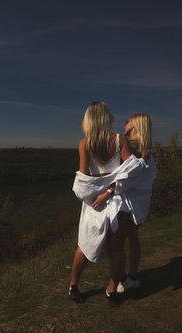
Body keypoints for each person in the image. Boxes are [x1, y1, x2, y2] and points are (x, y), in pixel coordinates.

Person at [68, 101, 136, 307]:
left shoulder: (85, 143)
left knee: (85, 245)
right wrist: (110, 187)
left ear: (88, 120)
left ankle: (73, 286)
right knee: (116, 248)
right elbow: (131, 171)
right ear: (107, 118)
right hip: (116, 197)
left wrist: (96, 191)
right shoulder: (119, 139)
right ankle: (111, 291)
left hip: (95, 201)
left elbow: (84, 178)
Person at [116, 113, 157, 293]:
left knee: (119, 243)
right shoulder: (145, 148)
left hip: (131, 201)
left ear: (137, 127)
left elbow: (129, 175)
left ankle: (124, 277)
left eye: (130, 121)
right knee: (132, 239)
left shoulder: (135, 147)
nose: (125, 121)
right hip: (138, 201)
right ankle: (131, 276)